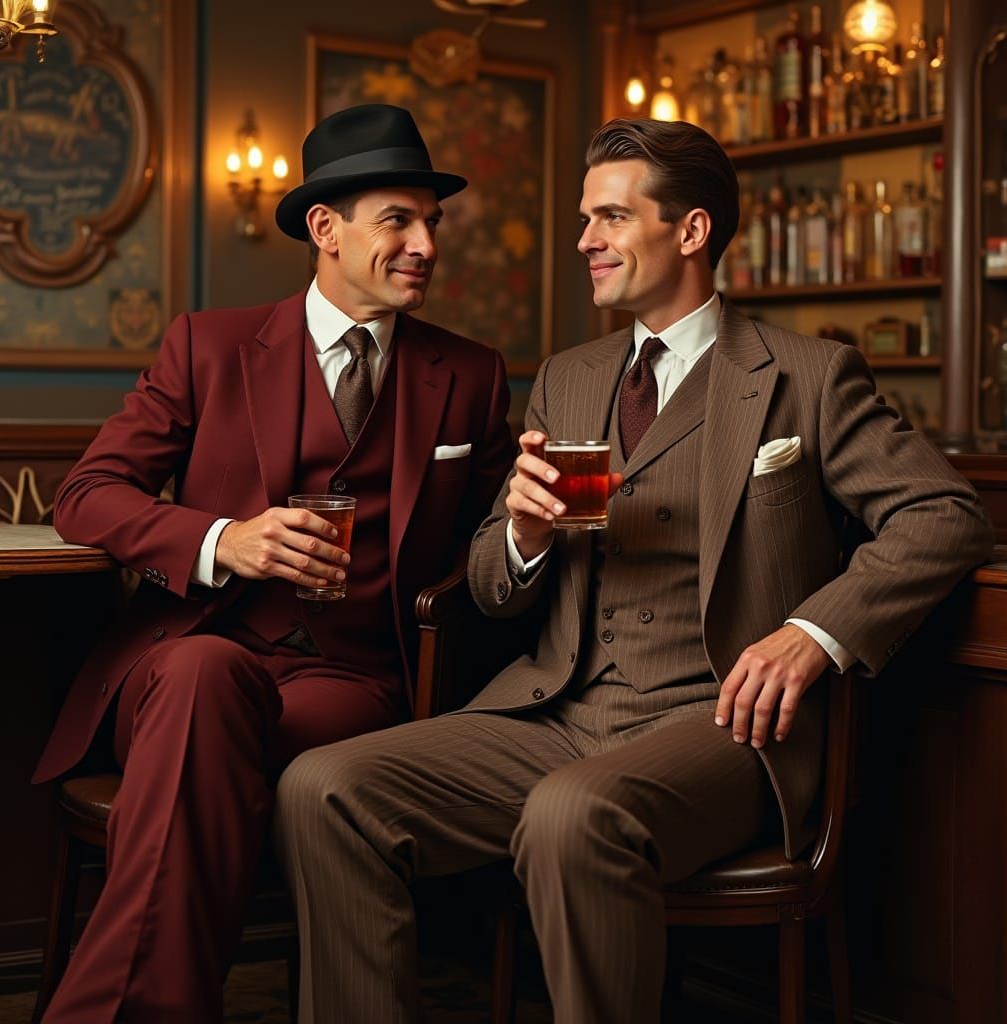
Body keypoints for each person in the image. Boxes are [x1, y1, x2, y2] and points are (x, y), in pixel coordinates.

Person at [274, 116, 994, 1024]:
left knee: (573, 815)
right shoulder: (569, 377)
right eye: (585, 219)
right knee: (324, 789)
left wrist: (812, 636)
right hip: (559, 712)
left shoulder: (806, 377)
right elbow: (492, 584)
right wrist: (525, 534)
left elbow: (944, 514)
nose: (585, 240)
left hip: (725, 727)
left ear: (690, 231)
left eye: (610, 218)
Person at [32, 103, 514, 1022]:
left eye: (431, 222)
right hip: (193, 658)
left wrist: (535, 519)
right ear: (325, 231)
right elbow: (86, 495)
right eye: (397, 220)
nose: (424, 245)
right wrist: (224, 540)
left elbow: (494, 538)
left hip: (350, 682)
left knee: (197, 725)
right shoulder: (207, 346)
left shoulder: (472, 373)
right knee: (203, 672)